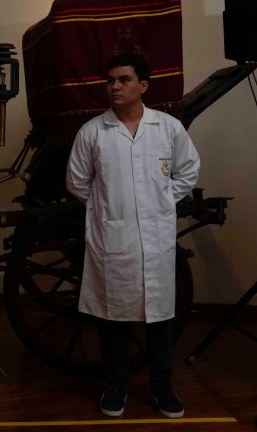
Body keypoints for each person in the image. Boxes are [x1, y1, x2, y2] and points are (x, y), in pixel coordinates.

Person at [66, 53, 200, 419]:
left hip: (156, 240)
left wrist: (158, 201)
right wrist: (110, 206)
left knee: (159, 317)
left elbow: (188, 171)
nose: (114, 87)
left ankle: (162, 387)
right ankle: (116, 387)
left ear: (143, 85)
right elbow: (77, 181)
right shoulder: (93, 132)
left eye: (123, 80)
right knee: (114, 316)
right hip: (113, 239)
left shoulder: (168, 128)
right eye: (110, 81)